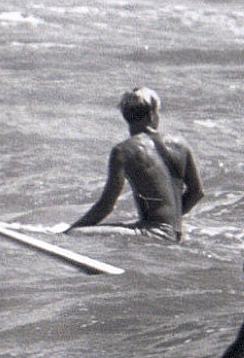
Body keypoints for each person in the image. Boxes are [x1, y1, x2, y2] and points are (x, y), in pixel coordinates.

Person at [65, 87, 204, 242]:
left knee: (76, 234)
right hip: (175, 233)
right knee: (118, 227)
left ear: (125, 117)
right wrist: (172, 219)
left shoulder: (123, 151)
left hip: (153, 233)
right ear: (152, 115)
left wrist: (69, 231)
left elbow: (106, 205)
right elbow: (196, 192)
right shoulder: (181, 144)